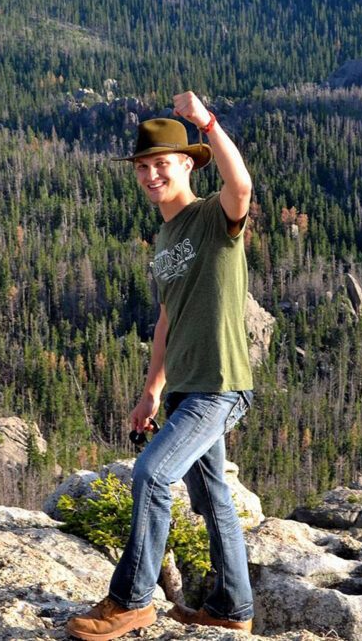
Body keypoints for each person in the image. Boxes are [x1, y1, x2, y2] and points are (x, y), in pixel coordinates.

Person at [66, 91, 256, 640]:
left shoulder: (214, 219)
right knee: (211, 496)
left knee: (151, 474)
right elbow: (167, 320)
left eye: (161, 165)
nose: (150, 175)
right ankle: (231, 608)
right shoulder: (167, 236)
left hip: (219, 386)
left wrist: (206, 122)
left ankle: (131, 600)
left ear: (187, 164)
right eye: (143, 167)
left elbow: (240, 185)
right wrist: (152, 390)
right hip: (185, 388)